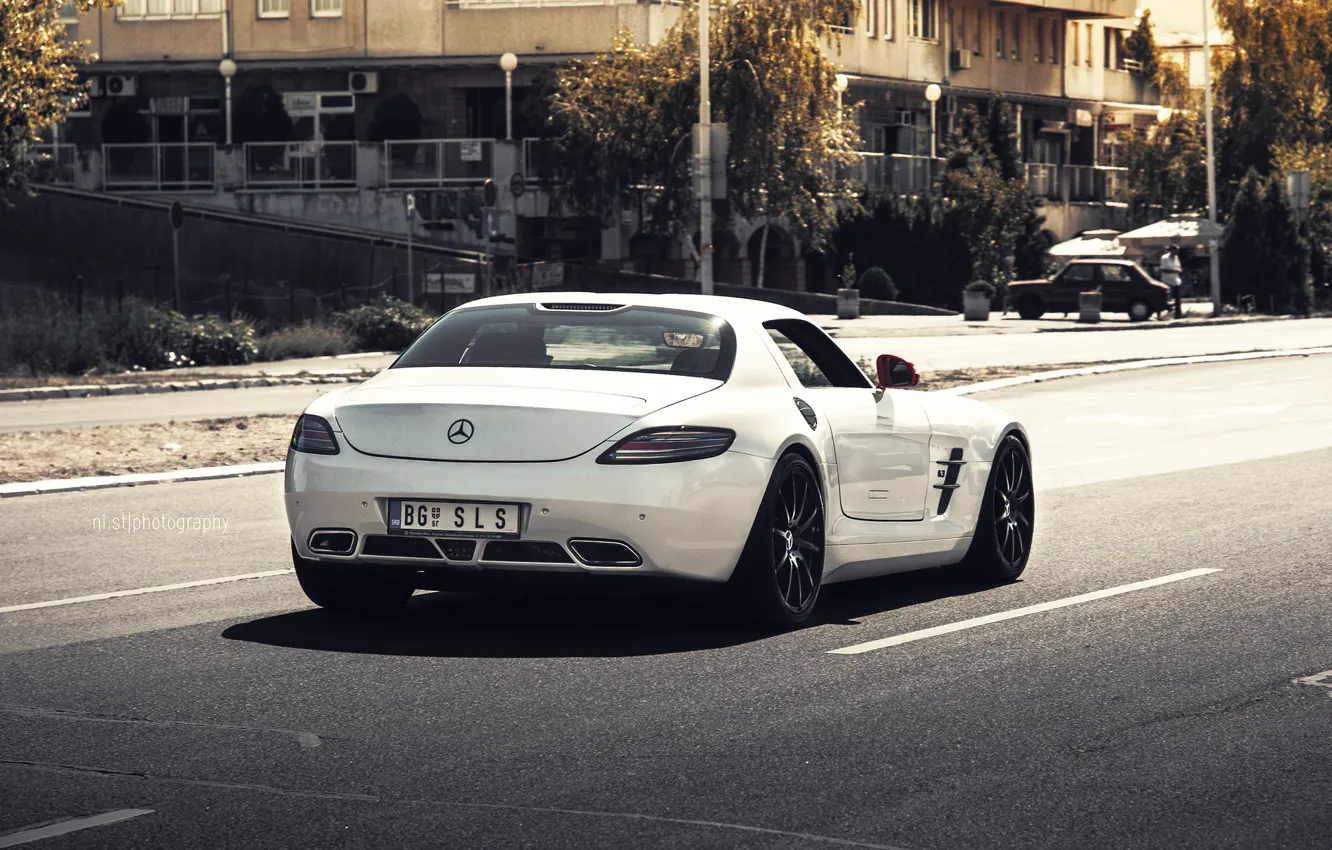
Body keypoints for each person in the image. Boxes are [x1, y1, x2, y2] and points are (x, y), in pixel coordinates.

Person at [1160, 244, 1184, 319]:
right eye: (1175, 251)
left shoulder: (1176, 258)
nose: (1176, 253)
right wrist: (1174, 270)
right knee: (1167, 299)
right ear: (1171, 250)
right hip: (1167, 281)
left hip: (1176, 280)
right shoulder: (1164, 258)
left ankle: (1178, 315)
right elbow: (1163, 269)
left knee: (1178, 299)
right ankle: (1165, 314)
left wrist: (1179, 270)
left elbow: (1179, 267)